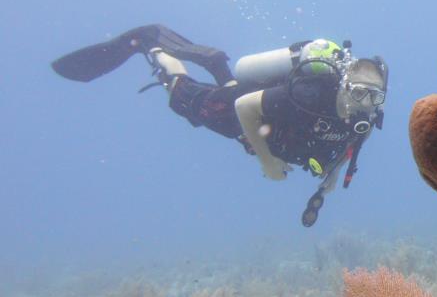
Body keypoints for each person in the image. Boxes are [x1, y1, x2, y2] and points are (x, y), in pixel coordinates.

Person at [51, 24, 387, 226]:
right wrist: (267, 161)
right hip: (246, 119)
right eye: (358, 94)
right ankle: (153, 47)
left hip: (272, 124)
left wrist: (330, 178)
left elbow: (352, 143)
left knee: (232, 91)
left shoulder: (366, 117)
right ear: (344, 85)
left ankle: (216, 65)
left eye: (374, 99)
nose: (364, 105)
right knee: (184, 98)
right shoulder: (311, 94)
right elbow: (245, 106)